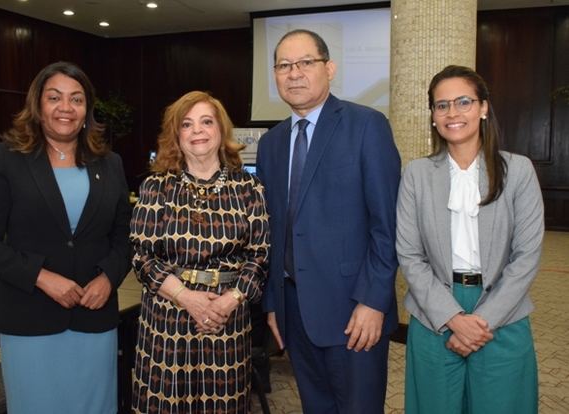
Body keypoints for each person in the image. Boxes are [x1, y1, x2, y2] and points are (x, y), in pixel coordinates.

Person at [0, 61, 131, 414]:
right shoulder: (8, 159)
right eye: (55, 97)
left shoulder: (110, 163)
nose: (66, 108)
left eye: (76, 99)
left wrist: (108, 277)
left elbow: (125, 236)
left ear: (87, 110)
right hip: (29, 319)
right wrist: (41, 277)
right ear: (38, 105)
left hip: (94, 318)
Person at [256, 29, 401, 413]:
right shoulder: (272, 143)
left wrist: (373, 301)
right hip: (294, 311)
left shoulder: (367, 125)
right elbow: (271, 232)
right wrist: (273, 304)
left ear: (329, 68)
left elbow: (387, 225)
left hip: (355, 312)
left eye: (306, 63)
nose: (294, 73)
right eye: (284, 66)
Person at [396, 65, 544, 413]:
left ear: (483, 107)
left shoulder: (518, 170)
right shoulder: (416, 174)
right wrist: (452, 318)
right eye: (441, 105)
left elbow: (527, 256)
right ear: (432, 115)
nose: (452, 113)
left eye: (463, 101)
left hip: (502, 312)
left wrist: (481, 323)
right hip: (434, 312)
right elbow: (409, 254)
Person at [130, 91, 269, 413]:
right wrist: (187, 298)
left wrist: (226, 302)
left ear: (221, 130)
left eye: (206, 122)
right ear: (176, 134)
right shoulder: (156, 186)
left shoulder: (249, 188)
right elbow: (142, 257)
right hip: (168, 315)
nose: (198, 131)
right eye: (187, 124)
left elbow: (259, 257)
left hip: (228, 317)